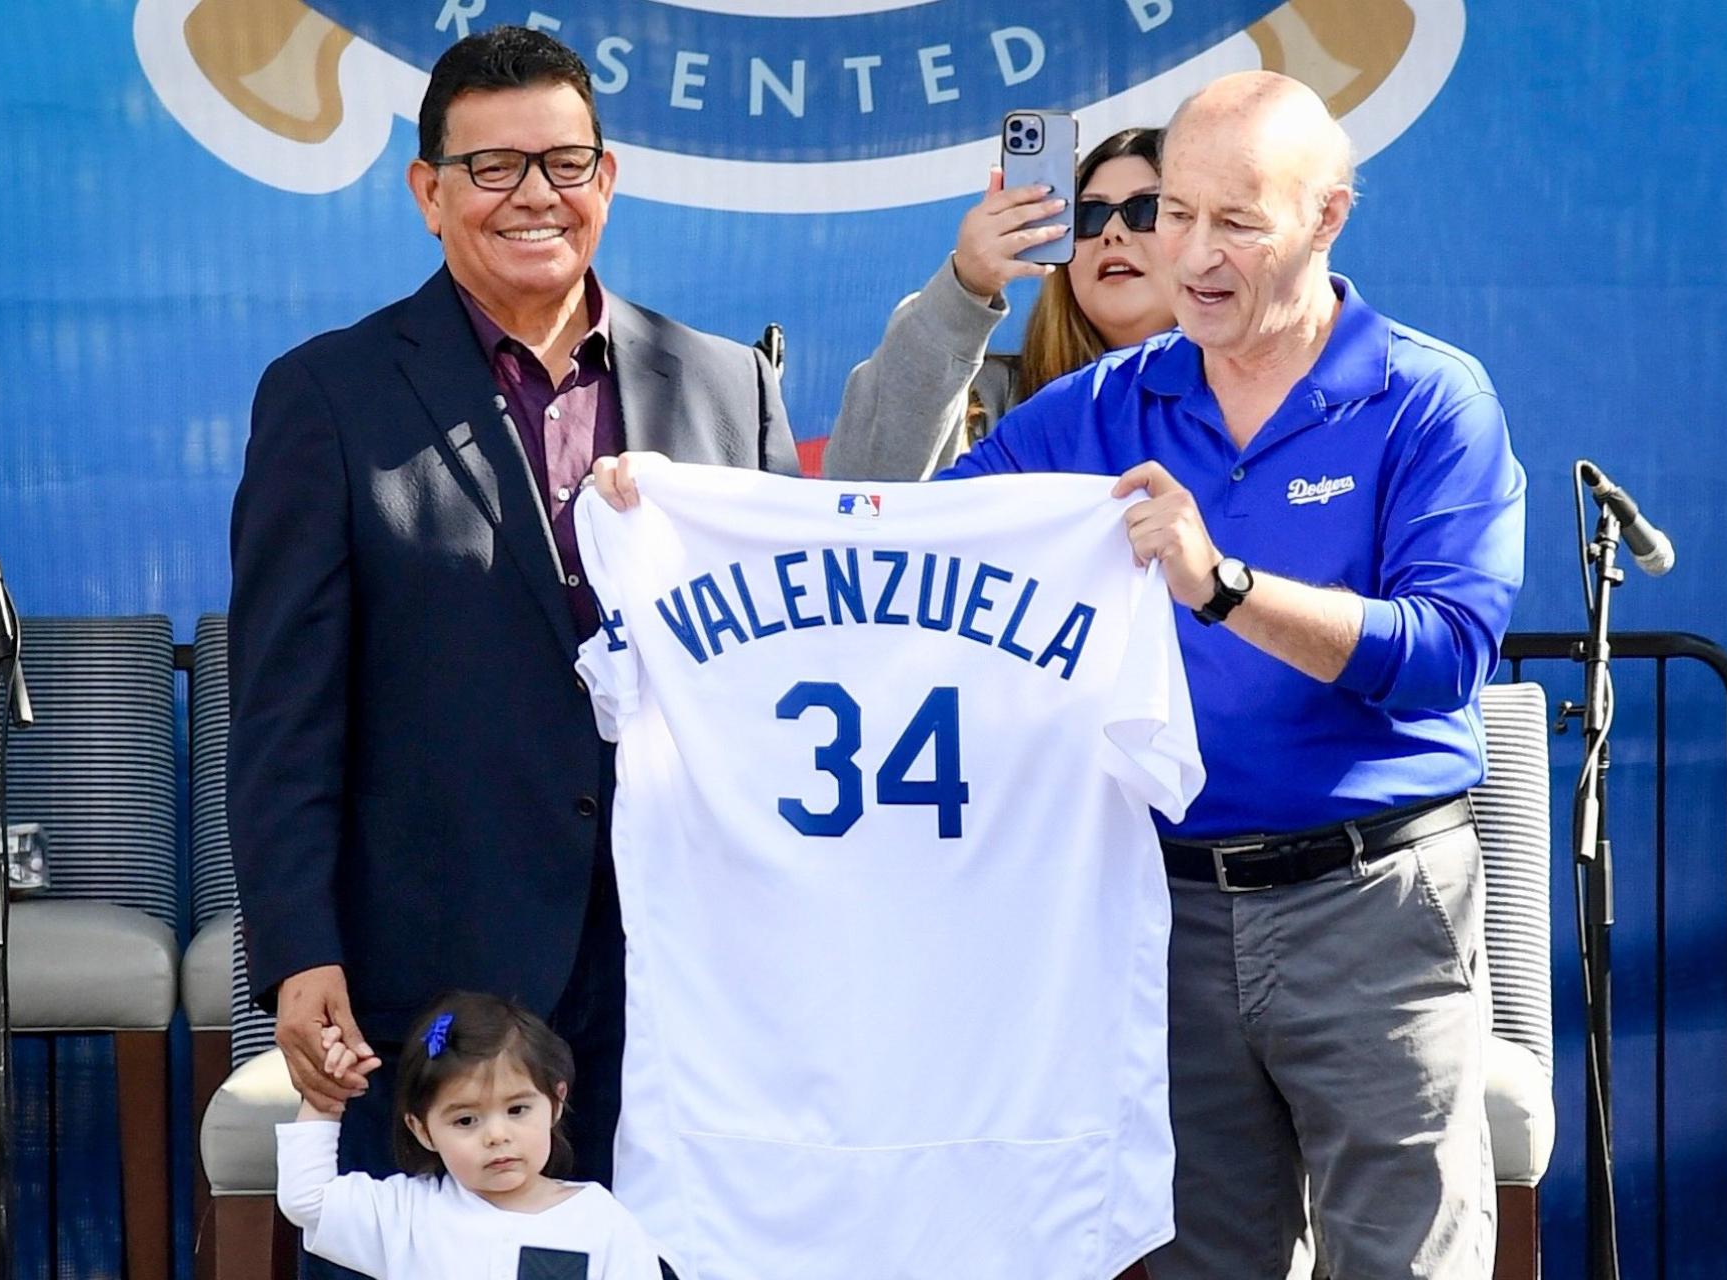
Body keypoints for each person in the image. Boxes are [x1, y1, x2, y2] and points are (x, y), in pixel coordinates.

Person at [604, 69, 1523, 1278]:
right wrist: (673, 511)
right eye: (1169, 213)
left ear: (1328, 215)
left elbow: (1447, 652)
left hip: (1373, 904)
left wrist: (1225, 584)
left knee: (1404, 1259)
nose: (1187, 251)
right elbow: (886, 533)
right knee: (1201, 1260)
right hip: (1163, 909)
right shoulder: (1100, 403)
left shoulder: (1428, 396)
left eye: (1234, 221)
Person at [226, 26, 799, 1277]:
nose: (536, 194)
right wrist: (297, 949)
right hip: (439, 969)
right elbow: (283, 710)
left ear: (609, 175)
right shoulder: (329, 395)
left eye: (565, 160)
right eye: (492, 169)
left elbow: (782, 680)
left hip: (685, 975)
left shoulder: (727, 386)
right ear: (428, 192)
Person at [822, 127, 1175, 481]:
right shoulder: (989, 399)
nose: (1112, 232)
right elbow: (864, 494)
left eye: (1146, 209)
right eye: (1088, 216)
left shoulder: (1229, 410)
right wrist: (967, 284)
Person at [277, 991, 665, 1278]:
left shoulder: (601, 1220)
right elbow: (307, 1201)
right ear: (422, 1130)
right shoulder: (407, 1214)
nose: (496, 1135)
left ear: (556, 1102)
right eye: (466, 1120)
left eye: (517, 1110)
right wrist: (325, 1101)